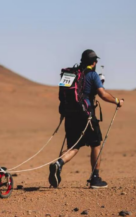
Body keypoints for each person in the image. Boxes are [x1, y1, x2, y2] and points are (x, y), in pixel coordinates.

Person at [49, 49, 124, 189]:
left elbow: (63, 94)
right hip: (86, 116)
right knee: (95, 144)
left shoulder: (71, 74)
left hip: (70, 115)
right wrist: (117, 101)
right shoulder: (93, 75)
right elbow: (102, 94)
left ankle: (58, 164)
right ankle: (95, 178)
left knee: (74, 146)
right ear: (94, 62)